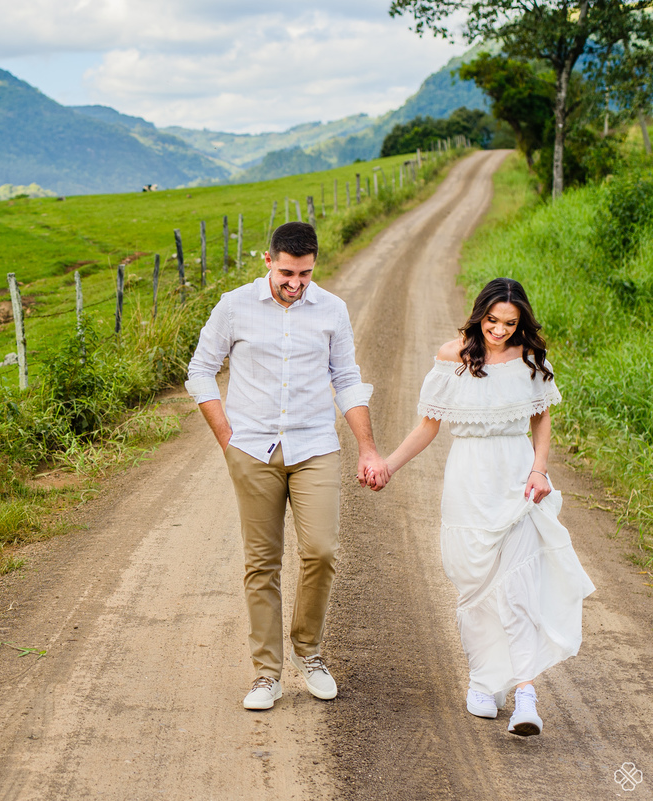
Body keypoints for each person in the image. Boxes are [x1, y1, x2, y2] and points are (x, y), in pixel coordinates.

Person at [376, 277, 595, 736]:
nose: (499, 330)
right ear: (479, 315)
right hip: (469, 478)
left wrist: (540, 469)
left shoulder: (532, 360)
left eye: (509, 323)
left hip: (517, 478)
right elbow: (427, 427)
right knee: (474, 585)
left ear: (521, 324)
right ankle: (484, 680)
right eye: (492, 320)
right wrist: (389, 466)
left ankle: (526, 697)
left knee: (517, 586)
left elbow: (541, 419)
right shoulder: (452, 356)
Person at [185, 221, 388, 711]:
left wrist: (367, 447)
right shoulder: (234, 307)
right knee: (262, 563)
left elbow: (347, 377)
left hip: (315, 445)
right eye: (288, 273)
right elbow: (200, 370)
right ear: (269, 262)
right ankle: (266, 675)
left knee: (321, 551)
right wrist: (226, 438)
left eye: (306, 274)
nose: (297, 283)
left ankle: (308, 652)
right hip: (251, 450)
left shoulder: (332, 309)